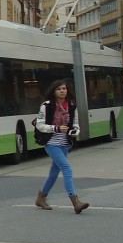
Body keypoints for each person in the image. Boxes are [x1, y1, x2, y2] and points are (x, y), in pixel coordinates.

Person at [35, 79, 88, 213]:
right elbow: (39, 124)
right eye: (59, 89)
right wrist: (56, 128)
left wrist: (75, 130)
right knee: (67, 169)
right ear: (54, 91)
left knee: (54, 173)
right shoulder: (46, 105)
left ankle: (41, 198)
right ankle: (75, 201)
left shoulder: (71, 105)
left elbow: (75, 123)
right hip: (51, 143)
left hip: (65, 143)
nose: (62, 91)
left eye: (64, 88)